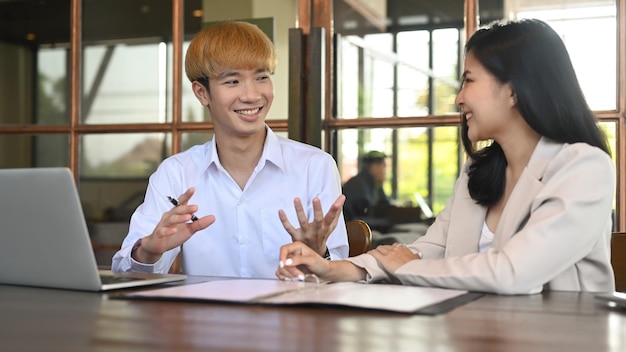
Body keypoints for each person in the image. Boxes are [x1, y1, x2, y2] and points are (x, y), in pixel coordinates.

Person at [276, 18, 616, 294]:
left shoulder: (583, 168)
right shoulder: (477, 171)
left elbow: (513, 272)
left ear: (513, 89)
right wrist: (331, 268)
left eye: (468, 81)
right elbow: (427, 249)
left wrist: (407, 267)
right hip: (473, 334)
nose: (459, 98)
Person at [112, 21, 348, 278]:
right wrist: (149, 251)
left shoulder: (315, 166)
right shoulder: (176, 173)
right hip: (205, 317)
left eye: (261, 77)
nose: (252, 95)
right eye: (233, 81)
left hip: (289, 316)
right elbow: (125, 272)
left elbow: (339, 273)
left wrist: (319, 255)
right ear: (202, 93)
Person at [342, 150, 391, 221]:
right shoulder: (358, 185)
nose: (385, 171)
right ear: (374, 167)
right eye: (384, 166)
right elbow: (364, 215)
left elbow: (385, 205)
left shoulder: (375, 184)